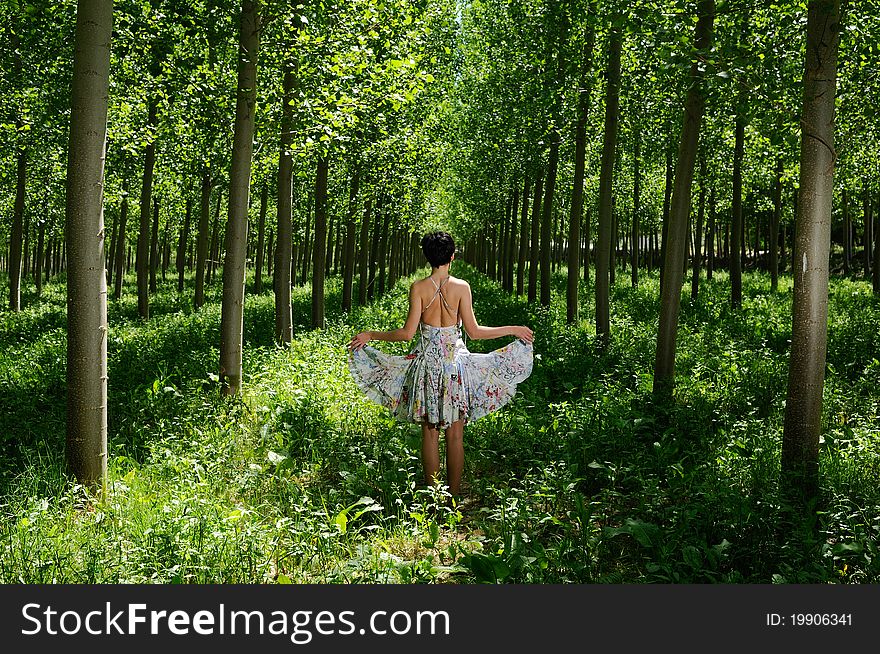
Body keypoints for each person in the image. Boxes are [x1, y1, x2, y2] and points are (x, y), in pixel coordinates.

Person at [347, 231, 534, 497]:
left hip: (427, 369)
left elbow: (407, 334)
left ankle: (434, 500)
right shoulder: (462, 287)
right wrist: (513, 329)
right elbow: (475, 331)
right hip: (455, 368)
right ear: (453, 256)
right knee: (456, 436)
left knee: (430, 435)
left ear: (427, 257)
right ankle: (454, 499)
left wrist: (371, 335)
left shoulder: (418, 287)